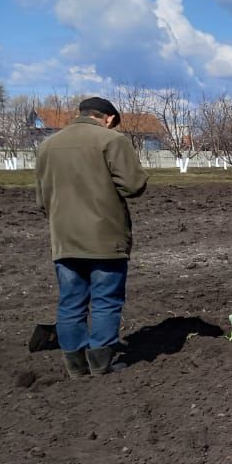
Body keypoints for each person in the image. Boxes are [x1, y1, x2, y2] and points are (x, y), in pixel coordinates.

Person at [34, 96, 148, 378]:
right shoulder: (111, 141)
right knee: (105, 299)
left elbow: (41, 200)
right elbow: (134, 186)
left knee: (71, 301)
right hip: (104, 237)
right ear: (108, 118)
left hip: (64, 238)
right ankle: (100, 362)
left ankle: (75, 365)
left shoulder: (47, 145)